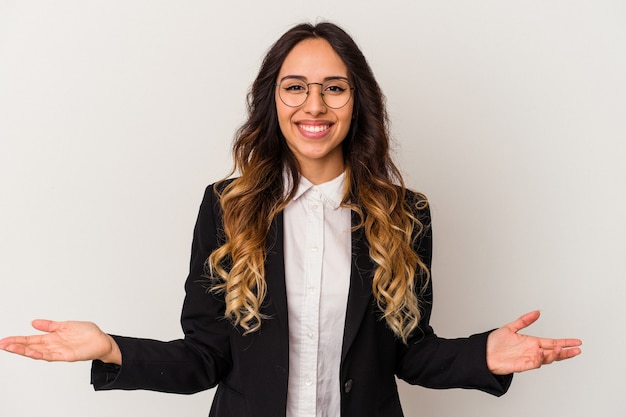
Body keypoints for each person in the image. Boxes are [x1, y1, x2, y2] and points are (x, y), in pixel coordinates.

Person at [0, 22, 581, 417]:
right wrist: (111, 349)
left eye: (334, 88)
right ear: (272, 100)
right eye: (295, 87)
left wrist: (484, 355)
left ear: (359, 101)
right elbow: (206, 358)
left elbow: (408, 353)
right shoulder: (226, 207)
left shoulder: (405, 214)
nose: (314, 106)